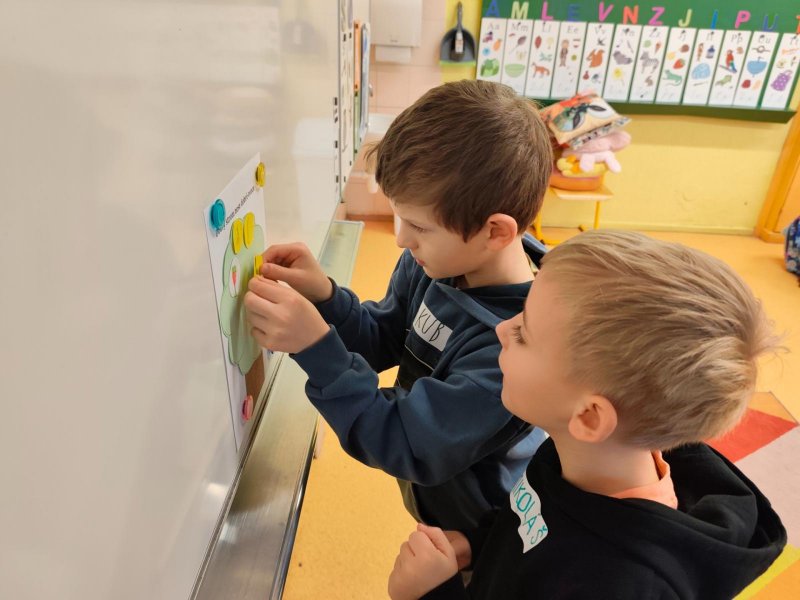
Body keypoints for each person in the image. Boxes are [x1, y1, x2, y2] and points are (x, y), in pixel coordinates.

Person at [387, 230, 787, 600]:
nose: (502, 329)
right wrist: (480, 544)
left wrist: (430, 595)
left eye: (524, 334)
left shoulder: (617, 583)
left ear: (591, 417)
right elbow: (535, 524)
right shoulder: (575, 451)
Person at [243, 79, 553, 532]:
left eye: (419, 227)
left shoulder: (514, 350)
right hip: (437, 496)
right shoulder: (436, 262)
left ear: (495, 232)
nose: (401, 239)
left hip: (477, 532)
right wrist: (325, 298)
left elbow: (406, 439)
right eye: (398, 215)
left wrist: (316, 349)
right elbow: (383, 337)